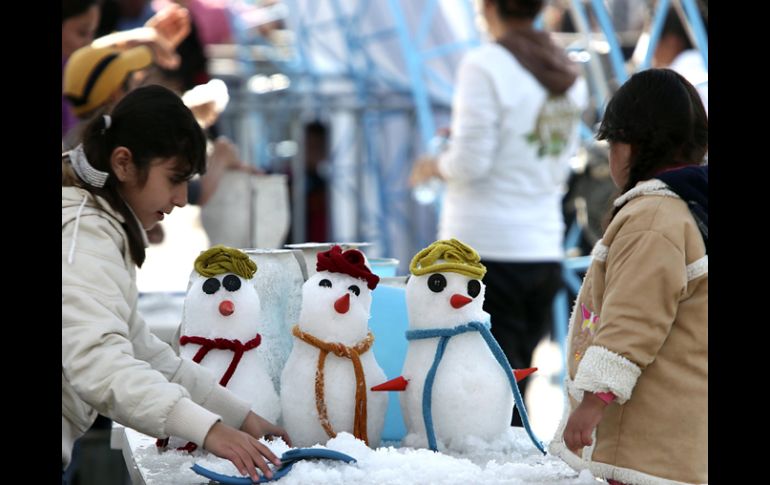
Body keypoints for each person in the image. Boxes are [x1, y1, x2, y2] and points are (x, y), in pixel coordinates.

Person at [62, 85, 291, 483]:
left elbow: (142, 350)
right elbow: (99, 361)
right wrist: (208, 430)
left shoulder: (96, 226)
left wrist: (237, 415)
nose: (183, 199)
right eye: (174, 179)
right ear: (123, 164)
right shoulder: (85, 236)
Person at [409, 0, 587, 426]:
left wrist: (432, 165)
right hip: (542, 247)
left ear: (487, 7)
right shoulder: (566, 72)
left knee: (469, 402)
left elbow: (470, 163)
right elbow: (548, 159)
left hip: (481, 253)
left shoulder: (486, 65)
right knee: (510, 400)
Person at [548, 68, 707, 485]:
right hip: (681, 439)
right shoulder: (693, 207)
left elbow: (635, 318)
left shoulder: (654, 216)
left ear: (631, 145)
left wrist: (594, 400)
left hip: (645, 447)